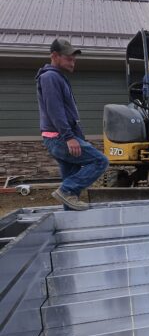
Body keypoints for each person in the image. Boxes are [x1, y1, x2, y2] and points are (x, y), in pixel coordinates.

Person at [36, 38, 109, 211]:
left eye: (74, 59)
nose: (73, 62)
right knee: (100, 161)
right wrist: (69, 137)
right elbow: (55, 110)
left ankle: (69, 212)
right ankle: (66, 189)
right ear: (54, 56)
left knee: (71, 184)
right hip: (60, 137)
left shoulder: (58, 77)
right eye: (69, 58)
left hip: (62, 137)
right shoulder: (50, 77)